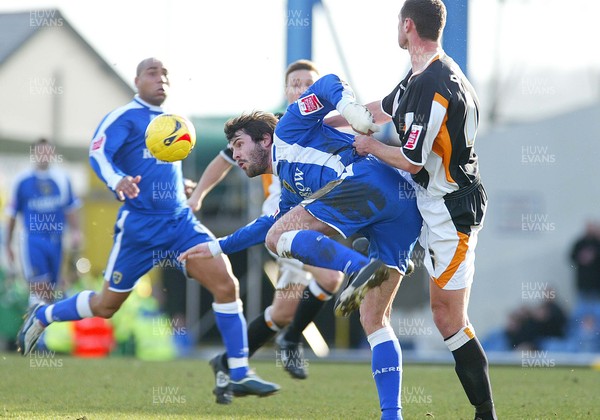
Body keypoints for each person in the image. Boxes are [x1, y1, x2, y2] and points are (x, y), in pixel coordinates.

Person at [15, 57, 279, 402]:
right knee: (106, 305)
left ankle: (239, 371)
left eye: (165, 73)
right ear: (137, 80)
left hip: (179, 222)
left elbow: (159, 167)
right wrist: (117, 180)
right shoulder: (124, 117)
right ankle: (45, 314)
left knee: (226, 283)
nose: (161, 78)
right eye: (152, 73)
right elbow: (99, 155)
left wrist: (179, 186)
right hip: (139, 229)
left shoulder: (174, 122)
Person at [179, 73, 423, 420]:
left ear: (265, 139)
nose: (235, 154)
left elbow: (327, 83)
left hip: (362, 182)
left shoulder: (289, 126)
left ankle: (356, 269)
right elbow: (269, 223)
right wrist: (217, 247)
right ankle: (392, 415)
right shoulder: (288, 185)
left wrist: (352, 112)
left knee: (278, 239)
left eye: (238, 144)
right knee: (374, 318)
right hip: (400, 210)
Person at [346, 1, 497, 418]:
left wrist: (370, 144)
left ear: (407, 25)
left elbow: (411, 160)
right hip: (427, 199)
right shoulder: (418, 75)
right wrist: (326, 119)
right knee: (442, 311)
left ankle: (486, 413)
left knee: (448, 316)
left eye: (398, 22)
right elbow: (380, 110)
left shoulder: (435, 81)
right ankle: (371, 259)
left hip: (451, 210)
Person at [186, 60, 344, 391]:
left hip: (309, 218)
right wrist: (199, 194)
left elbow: (358, 122)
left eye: (308, 83)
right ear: (286, 90)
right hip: (284, 220)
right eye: (296, 83)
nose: (302, 88)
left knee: (283, 312)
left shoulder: (324, 124)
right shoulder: (276, 127)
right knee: (331, 276)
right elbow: (224, 159)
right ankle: (291, 342)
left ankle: (228, 362)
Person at [5, 138, 81, 305]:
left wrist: (76, 232)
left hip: (56, 239)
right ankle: (34, 325)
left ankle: (45, 326)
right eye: (40, 151)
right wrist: (8, 244)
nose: (44, 155)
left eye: (47, 151)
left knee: (52, 291)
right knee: (39, 287)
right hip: (33, 239)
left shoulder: (62, 178)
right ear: (33, 154)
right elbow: (11, 214)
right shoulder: (21, 180)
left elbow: (70, 209)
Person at [570, 221, 600, 302]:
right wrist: (581, 258)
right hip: (583, 283)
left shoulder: (597, 243)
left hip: (596, 283)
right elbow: (571, 257)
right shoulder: (579, 243)